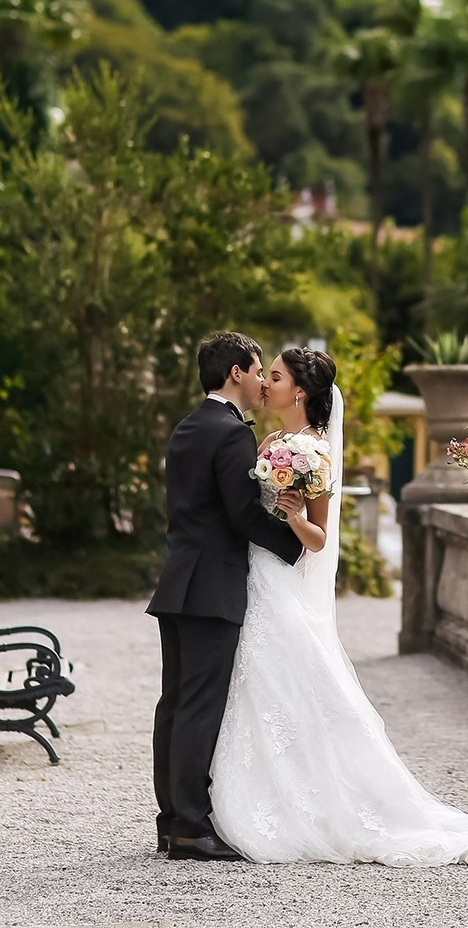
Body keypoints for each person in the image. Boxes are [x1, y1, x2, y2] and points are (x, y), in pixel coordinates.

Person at [208, 346, 468, 866]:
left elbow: (317, 539)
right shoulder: (269, 442)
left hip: (280, 578)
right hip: (251, 573)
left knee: (286, 682)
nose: (266, 383)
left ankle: (303, 804)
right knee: (261, 686)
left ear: (300, 392)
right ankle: (260, 791)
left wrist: (292, 514)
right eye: (264, 374)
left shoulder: (314, 452)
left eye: (275, 376)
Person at [148, 332, 302, 861]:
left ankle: (171, 821)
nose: (262, 380)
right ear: (235, 372)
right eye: (258, 370)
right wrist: (296, 545)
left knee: (173, 704)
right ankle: (191, 827)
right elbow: (241, 514)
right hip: (213, 586)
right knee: (199, 706)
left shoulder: (187, 427)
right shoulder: (232, 433)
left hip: (176, 583)